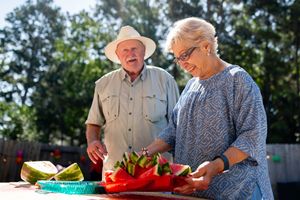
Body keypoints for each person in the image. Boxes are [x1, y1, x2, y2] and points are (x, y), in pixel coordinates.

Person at [144, 17, 274, 199]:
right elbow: (174, 130)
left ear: (206, 46)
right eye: (177, 58)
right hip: (196, 193)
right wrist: (145, 153)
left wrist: (216, 166)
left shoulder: (238, 80)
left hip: (241, 192)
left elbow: (252, 136)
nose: (181, 63)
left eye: (185, 55)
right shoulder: (190, 86)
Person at [85, 25, 179, 178]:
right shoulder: (103, 84)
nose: (131, 54)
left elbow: (177, 127)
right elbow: (93, 122)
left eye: (135, 48)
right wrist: (93, 140)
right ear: (117, 55)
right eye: (125, 50)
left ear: (144, 51)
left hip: (156, 174)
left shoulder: (165, 80)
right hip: (114, 172)